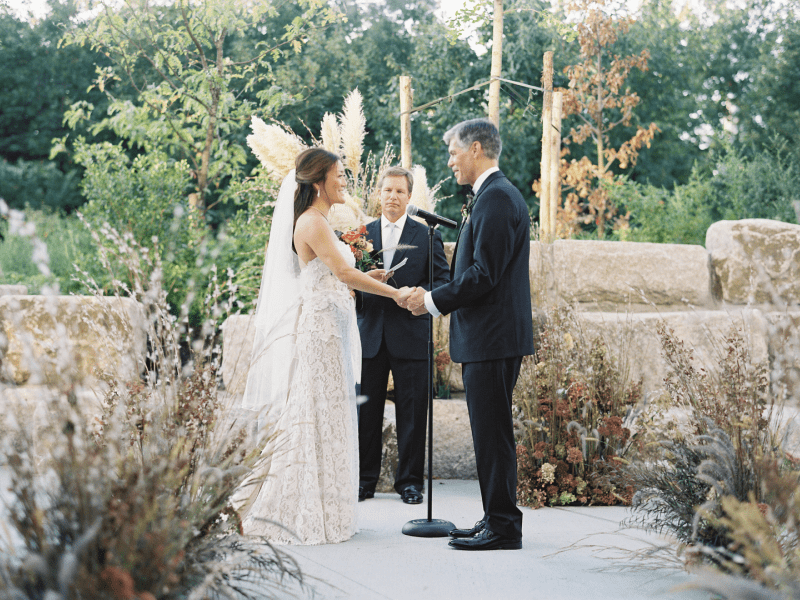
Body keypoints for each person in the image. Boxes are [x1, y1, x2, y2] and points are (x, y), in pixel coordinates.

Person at [235, 147, 413, 545]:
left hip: (329, 329)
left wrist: (368, 275)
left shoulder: (320, 221)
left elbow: (336, 273)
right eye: (339, 175)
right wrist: (395, 293)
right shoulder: (312, 221)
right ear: (318, 182)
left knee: (328, 414)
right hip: (319, 335)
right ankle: (294, 507)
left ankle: (327, 506)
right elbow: (345, 272)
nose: (345, 182)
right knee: (314, 414)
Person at [403, 118, 534, 551]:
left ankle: (503, 528)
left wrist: (432, 300)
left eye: (454, 152)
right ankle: (495, 518)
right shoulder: (492, 197)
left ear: (476, 149)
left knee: (493, 434)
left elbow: (484, 275)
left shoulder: (496, 199)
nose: (450, 161)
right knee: (489, 433)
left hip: (493, 339)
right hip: (490, 338)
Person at [356, 166, 450, 505]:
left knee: (412, 413)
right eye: (387, 190)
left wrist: (421, 295)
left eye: (400, 191)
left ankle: (410, 483)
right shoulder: (359, 234)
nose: (393, 196)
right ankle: (364, 480)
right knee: (366, 412)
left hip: (411, 334)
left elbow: (444, 283)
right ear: (378, 194)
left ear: (410, 197)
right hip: (369, 337)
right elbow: (345, 283)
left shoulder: (427, 235)